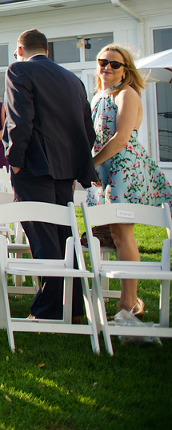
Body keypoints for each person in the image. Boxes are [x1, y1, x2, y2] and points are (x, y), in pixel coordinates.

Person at [4, 29, 94, 322]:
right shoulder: (73, 78)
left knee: (43, 239)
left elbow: (20, 118)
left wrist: (15, 160)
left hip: (33, 167)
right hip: (65, 169)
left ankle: (49, 309)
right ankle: (74, 306)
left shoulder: (19, 69)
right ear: (46, 48)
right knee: (63, 236)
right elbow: (86, 127)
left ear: (20, 49)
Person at [87, 43, 171, 317]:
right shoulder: (99, 95)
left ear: (125, 70)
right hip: (104, 169)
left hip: (124, 170)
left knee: (123, 235)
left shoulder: (127, 94)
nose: (107, 67)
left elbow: (121, 139)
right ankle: (129, 302)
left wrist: (90, 164)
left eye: (114, 64)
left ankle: (129, 303)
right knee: (113, 234)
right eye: (103, 61)